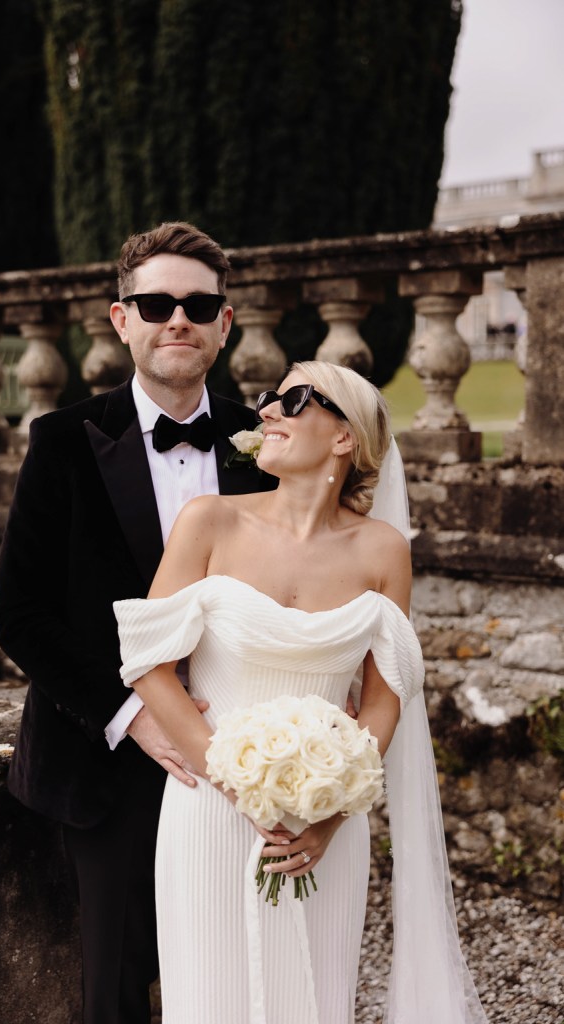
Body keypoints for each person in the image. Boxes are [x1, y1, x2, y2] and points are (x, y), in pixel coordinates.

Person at [114, 361, 489, 1024]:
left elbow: (383, 696)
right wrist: (233, 778)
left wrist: (330, 816)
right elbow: (149, 666)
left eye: (292, 400)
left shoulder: (382, 551)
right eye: (269, 401)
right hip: (207, 806)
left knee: (311, 997)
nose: (267, 412)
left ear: (344, 437)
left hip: (322, 825)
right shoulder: (210, 522)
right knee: (208, 996)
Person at [0, 221, 275, 1024]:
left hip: (237, 749)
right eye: (155, 303)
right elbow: (19, 614)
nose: (175, 319)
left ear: (225, 324)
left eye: (197, 304)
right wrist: (132, 715)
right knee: (114, 991)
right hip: (104, 761)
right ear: (123, 321)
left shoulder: (265, 445)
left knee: (235, 971)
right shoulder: (59, 443)